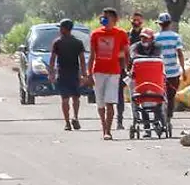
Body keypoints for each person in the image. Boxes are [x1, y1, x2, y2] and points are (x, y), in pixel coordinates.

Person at [87, 8, 130, 140]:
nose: (104, 19)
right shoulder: (96, 34)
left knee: (110, 102)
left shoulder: (121, 34)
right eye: (103, 16)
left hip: (114, 72)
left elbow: (126, 53)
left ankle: (108, 131)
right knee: (100, 103)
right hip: (98, 71)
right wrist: (89, 74)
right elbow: (92, 55)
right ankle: (103, 126)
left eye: (107, 17)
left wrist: (127, 68)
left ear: (114, 19)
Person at [48, 19, 87, 132]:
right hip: (74, 74)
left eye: (61, 28)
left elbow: (52, 59)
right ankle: (75, 117)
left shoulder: (57, 42)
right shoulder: (78, 42)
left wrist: (51, 73)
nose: (60, 30)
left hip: (63, 74)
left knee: (65, 99)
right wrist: (84, 74)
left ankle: (67, 122)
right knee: (76, 98)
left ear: (64, 29)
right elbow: (82, 60)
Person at [153, 14, 185, 117]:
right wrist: (183, 69)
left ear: (160, 24)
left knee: (159, 95)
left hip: (159, 72)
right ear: (170, 23)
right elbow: (180, 54)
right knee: (171, 97)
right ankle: (168, 117)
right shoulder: (176, 37)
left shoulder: (155, 38)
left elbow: (153, 54)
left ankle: (158, 116)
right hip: (173, 72)